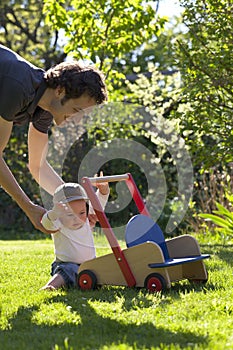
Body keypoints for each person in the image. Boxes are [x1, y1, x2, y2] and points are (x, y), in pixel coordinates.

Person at [0, 44, 108, 233]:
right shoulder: (19, 87)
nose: (77, 120)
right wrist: (30, 208)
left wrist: (78, 205)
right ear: (60, 91)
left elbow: (38, 166)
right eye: (76, 110)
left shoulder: (45, 109)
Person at [40, 175, 109, 290]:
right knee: (67, 271)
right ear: (60, 213)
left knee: (102, 267)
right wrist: (53, 214)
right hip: (66, 264)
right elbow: (45, 223)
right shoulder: (58, 223)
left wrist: (103, 192)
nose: (77, 219)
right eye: (70, 215)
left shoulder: (86, 219)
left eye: (81, 213)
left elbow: (98, 205)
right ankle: (51, 286)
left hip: (89, 265)